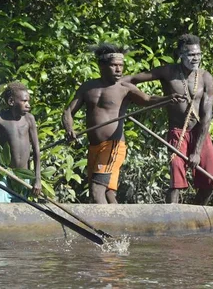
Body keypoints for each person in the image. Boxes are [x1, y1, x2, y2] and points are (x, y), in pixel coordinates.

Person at [62, 43, 183, 204]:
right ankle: (121, 225)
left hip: (113, 145)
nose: (119, 69)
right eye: (114, 65)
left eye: (121, 66)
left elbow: (147, 100)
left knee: (96, 189)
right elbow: (68, 112)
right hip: (94, 147)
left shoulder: (125, 88)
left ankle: (102, 228)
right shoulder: (87, 87)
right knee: (107, 193)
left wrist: (168, 99)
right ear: (102, 65)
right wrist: (69, 129)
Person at [122, 34, 213, 205]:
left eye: (198, 54)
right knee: (176, 181)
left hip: (200, 133)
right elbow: (130, 80)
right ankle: (172, 215)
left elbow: (207, 115)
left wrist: (196, 152)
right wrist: (114, 89)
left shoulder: (205, 77)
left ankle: (195, 214)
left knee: (210, 184)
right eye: (191, 55)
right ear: (180, 55)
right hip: (178, 132)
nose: (195, 58)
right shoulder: (168, 72)